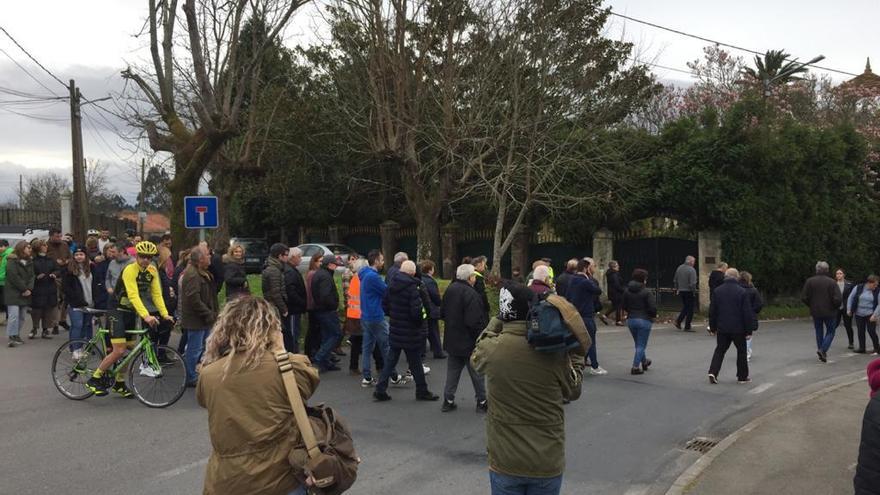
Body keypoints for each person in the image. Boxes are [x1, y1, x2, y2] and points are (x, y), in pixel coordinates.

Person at [471, 281, 586, 495]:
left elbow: (478, 349)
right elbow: (574, 390)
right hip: (546, 458)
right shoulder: (554, 352)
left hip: (505, 458)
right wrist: (576, 355)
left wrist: (499, 319)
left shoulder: (491, 349)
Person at [197, 296, 320, 495]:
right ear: (270, 329)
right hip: (281, 478)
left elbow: (204, 400)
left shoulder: (208, 375)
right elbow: (310, 382)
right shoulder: (290, 368)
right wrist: (280, 350)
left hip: (227, 481)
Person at [86, 241, 173, 397]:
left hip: (130, 312)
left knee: (129, 349)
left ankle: (119, 383)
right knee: (119, 349)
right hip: (116, 309)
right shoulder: (130, 270)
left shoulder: (152, 271)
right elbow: (133, 295)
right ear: (137, 256)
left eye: (149, 257)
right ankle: (95, 377)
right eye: (142, 256)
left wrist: (165, 314)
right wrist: (146, 315)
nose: (145, 260)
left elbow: (156, 295)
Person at [373, 260, 438, 402]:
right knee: (415, 362)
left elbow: (385, 305)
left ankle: (380, 388)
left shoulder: (391, 284)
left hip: (396, 328)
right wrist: (420, 321)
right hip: (410, 331)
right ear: (413, 272)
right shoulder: (413, 288)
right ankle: (422, 390)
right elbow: (417, 312)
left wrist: (395, 316)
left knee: (390, 361)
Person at [440, 263, 489, 412]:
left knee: (453, 372)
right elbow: (474, 321)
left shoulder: (450, 289)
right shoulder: (471, 294)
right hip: (469, 341)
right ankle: (482, 401)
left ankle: (448, 400)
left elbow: (442, 313)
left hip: (452, 338)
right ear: (470, 278)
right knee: (477, 373)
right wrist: (480, 338)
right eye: (474, 275)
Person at [359, 250, 405, 388]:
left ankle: (367, 377)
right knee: (386, 346)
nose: (383, 262)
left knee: (367, 347)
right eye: (382, 260)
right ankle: (394, 376)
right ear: (377, 261)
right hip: (376, 315)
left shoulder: (364, 274)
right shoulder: (373, 277)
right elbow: (387, 291)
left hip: (365, 315)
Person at [707, 268, 755, 384]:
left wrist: (713, 327)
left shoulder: (717, 291)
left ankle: (713, 372)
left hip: (723, 327)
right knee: (741, 352)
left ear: (726, 277)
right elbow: (747, 313)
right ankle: (742, 376)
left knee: (720, 350)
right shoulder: (742, 291)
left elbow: (712, 311)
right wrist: (749, 331)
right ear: (737, 277)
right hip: (738, 328)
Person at [180, 247, 218, 386]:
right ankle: (190, 376)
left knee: (202, 347)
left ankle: (196, 372)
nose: (210, 257)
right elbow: (193, 299)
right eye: (208, 255)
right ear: (201, 259)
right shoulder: (192, 275)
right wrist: (208, 313)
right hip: (196, 319)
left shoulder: (202, 272)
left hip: (203, 318)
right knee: (194, 349)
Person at [345, 257, 384, 376]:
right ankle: (380, 366)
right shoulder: (365, 278)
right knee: (374, 341)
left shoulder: (354, 279)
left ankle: (354, 367)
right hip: (363, 314)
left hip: (352, 314)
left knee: (357, 342)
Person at [567, 258, 605, 375]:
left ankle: (578, 363)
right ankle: (595, 366)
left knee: (577, 340)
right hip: (587, 314)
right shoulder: (586, 281)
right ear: (586, 269)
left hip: (575, 314)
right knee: (591, 340)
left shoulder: (572, 280)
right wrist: (589, 277)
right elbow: (598, 291)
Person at [802, 261, 843, 363]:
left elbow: (804, 297)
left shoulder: (810, 281)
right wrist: (835, 307)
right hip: (830, 312)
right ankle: (823, 350)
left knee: (819, 331)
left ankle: (821, 352)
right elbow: (838, 299)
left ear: (817, 270)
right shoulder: (832, 282)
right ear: (827, 270)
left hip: (816, 311)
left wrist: (811, 305)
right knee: (831, 331)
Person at [311, 255, 343, 372]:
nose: (336, 267)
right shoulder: (325, 276)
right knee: (336, 334)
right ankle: (320, 358)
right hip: (327, 310)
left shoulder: (320, 274)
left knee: (327, 335)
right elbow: (325, 296)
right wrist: (333, 305)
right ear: (330, 265)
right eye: (335, 264)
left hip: (320, 310)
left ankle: (325, 361)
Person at [622, 268, 657, 375]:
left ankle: (644, 362)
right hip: (644, 319)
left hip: (631, 319)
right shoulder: (647, 292)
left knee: (638, 343)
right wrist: (653, 315)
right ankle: (635, 367)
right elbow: (652, 307)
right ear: (644, 279)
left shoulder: (627, 290)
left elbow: (624, 305)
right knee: (641, 345)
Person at [62, 247, 98, 350]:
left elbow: (96, 284)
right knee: (77, 325)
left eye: (81, 254)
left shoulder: (92, 268)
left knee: (87, 326)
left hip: (89, 302)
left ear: (85, 256)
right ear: (73, 256)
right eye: (76, 255)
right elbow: (66, 288)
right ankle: (75, 349)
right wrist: (77, 300)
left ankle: (87, 347)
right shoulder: (68, 269)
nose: (79, 257)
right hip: (75, 304)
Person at [4, 241, 34, 347]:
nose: (30, 249)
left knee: (22, 316)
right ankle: (12, 337)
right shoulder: (12, 260)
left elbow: (32, 276)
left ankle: (16, 335)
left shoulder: (30, 261)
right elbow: (13, 276)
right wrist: (24, 289)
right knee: (14, 316)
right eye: (28, 247)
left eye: (30, 247)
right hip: (13, 292)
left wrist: (29, 289)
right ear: (21, 248)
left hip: (25, 293)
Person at [29, 239, 60, 339]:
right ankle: (34, 328)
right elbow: (29, 274)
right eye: (44, 245)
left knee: (48, 309)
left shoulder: (50, 259)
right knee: (36, 310)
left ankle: (45, 329)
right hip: (38, 288)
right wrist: (36, 277)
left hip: (50, 287)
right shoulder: (32, 260)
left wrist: (54, 274)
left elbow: (58, 269)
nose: (46, 247)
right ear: (38, 247)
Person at [420, 260, 446, 359]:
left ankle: (430, 349)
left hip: (424, 309)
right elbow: (435, 296)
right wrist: (440, 303)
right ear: (430, 270)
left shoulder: (420, 279)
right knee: (434, 331)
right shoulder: (430, 281)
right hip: (431, 308)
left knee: (428, 330)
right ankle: (438, 351)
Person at [284, 247, 307, 353]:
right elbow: (291, 291)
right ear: (292, 257)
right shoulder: (290, 271)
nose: (300, 259)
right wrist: (302, 302)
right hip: (293, 309)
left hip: (296, 308)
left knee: (296, 332)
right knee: (293, 334)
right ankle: (293, 355)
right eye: (299, 257)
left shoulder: (292, 269)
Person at [261, 242, 289, 328]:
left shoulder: (276, 268)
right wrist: (284, 309)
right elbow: (275, 292)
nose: (288, 257)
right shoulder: (274, 271)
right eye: (286, 255)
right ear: (280, 256)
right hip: (274, 307)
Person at [851, 275, 880, 355]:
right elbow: (851, 297)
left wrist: (875, 315)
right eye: (874, 284)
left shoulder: (878, 291)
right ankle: (862, 348)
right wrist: (849, 309)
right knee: (860, 331)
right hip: (859, 313)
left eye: (877, 285)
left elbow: (879, 304)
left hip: (870, 313)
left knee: (871, 331)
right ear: (869, 283)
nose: (876, 286)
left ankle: (877, 348)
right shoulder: (858, 287)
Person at [739, 271, 764, 362]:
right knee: (748, 334)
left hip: (737, 315)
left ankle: (744, 351)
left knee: (740, 334)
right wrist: (753, 311)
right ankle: (746, 351)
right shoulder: (753, 290)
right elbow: (759, 304)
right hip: (750, 315)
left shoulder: (737, 289)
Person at [304, 254, 323, 358]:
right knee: (313, 330)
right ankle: (310, 352)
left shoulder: (315, 273)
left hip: (313, 305)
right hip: (313, 306)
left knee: (315, 330)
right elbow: (312, 292)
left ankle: (314, 351)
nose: (321, 263)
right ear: (314, 262)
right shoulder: (313, 274)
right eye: (319, 261)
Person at [673, 255, 698, 331]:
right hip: (689, 291)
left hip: (681, 290)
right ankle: (687, 326)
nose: (694, 263)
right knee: (690, 309)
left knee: (686, 307)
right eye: (693, 261)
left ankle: (679, 321)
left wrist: (677, 288)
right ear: (690, 261)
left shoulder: (679, 268)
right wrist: (694, 291)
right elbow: (693, 283)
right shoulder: (691, 270)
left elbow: (675, 280)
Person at [837, 268, 857, 350]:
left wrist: (851, 308)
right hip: (836, 308)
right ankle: (827, 341)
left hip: (846, 308)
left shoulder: (849, 284)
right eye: (837, 273)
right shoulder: (833, 284)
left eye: (840, 273)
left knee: (848, 325)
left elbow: (853, 297)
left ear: (844, 275)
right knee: (833, 325)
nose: (838, 275)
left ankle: (851, 342)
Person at [604, 261, 625, 326]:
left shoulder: (610, 273)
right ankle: (618, 321)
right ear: (614, 267)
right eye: (617, 265)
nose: (618, 267)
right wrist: (623, 290)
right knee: (618, 306)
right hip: (616, 293)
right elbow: (617, 284)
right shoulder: (614, 274)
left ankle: (604, 315)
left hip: (612, 292)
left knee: (615, 306)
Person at [0, 239, 11, 323]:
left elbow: (6, 270)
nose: (0, 248)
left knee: (7, 301)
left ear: (6, 246)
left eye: (1, 247)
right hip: (2, 281)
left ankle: (9, 318)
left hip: (6, 281)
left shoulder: (9, 255)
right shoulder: (2, 254)